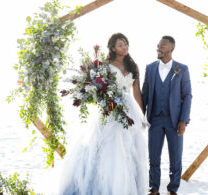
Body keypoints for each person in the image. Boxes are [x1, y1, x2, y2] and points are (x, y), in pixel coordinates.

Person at [58, 33, 148, 195]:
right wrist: (106, 101)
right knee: (108, 147)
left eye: (126, 43)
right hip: (110, 108)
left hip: (129, 110)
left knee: (129, 149)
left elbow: (136, 92)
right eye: (120, 44)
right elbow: (99, 89)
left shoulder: (133, 66)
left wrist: (141, 116)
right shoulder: (105, 65)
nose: (124, 47)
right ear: (113, 48)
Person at [142, 36, 192, 195]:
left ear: (171, 49)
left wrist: (183, 120)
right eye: (158, 45)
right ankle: (154, 188)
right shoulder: (150, 68)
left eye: (162, 46)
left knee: (175, 156)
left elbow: (187, 95)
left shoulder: (181, 69)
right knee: (153, 157)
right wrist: (140, 117)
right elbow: (145, 94)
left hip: (175, 120)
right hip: (154, 119)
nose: (159, 48)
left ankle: (172, 189)